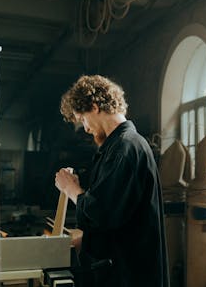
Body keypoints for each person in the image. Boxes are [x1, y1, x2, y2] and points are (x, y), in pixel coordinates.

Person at [54, 74, 169, 287]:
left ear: (95, 106)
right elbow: (119, 217)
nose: (86, 129)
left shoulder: (124, 148)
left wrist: (71, 188)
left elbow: (102, 214)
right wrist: (85, 241)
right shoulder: (119, 146)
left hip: (129, 276)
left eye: (83, 119)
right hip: (125, 268)